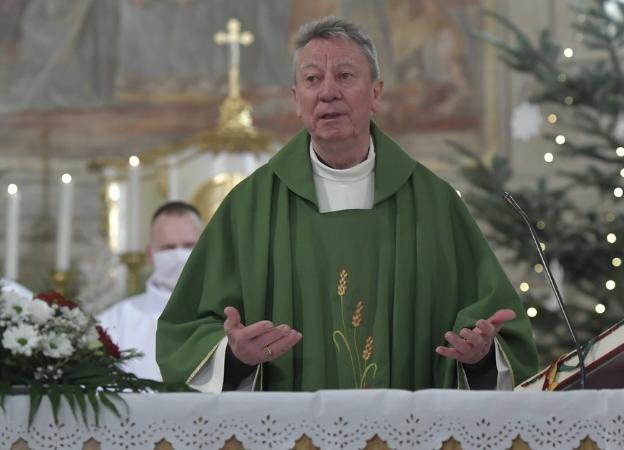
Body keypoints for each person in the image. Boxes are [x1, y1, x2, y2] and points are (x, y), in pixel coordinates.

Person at [157, 17, 537, 392]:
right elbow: (186, 333)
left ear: (375, 93)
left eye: (344, 76)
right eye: (311, 79)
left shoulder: (433, 202)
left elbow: (495, 327)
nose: (327, 93)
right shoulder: (250, 207)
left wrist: (482, 357)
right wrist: (236, 355)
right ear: (296, 100)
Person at [98, 201, 203, 381]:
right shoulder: (111, 324)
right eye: (168, 248)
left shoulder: (231, 314)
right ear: (150, 253)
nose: (179, 256)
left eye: (189, 246)